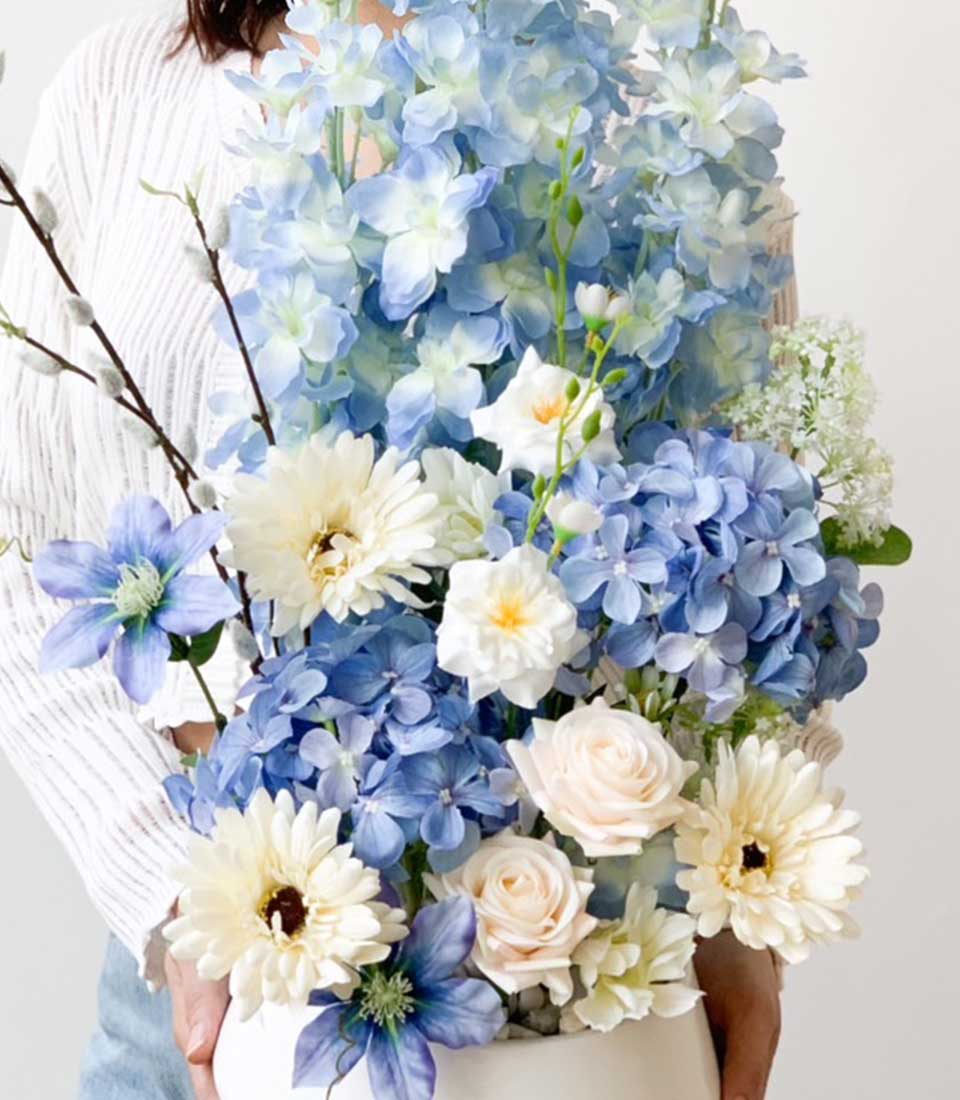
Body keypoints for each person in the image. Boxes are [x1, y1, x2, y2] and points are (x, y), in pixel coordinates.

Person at [0, 2, 784, 1098]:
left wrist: (740, 910)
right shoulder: (126, 84)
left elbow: (761, 565)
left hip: (587, 974)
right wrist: (176, 903)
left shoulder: (652, 109)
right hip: (222, 961)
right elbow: (25, 551)